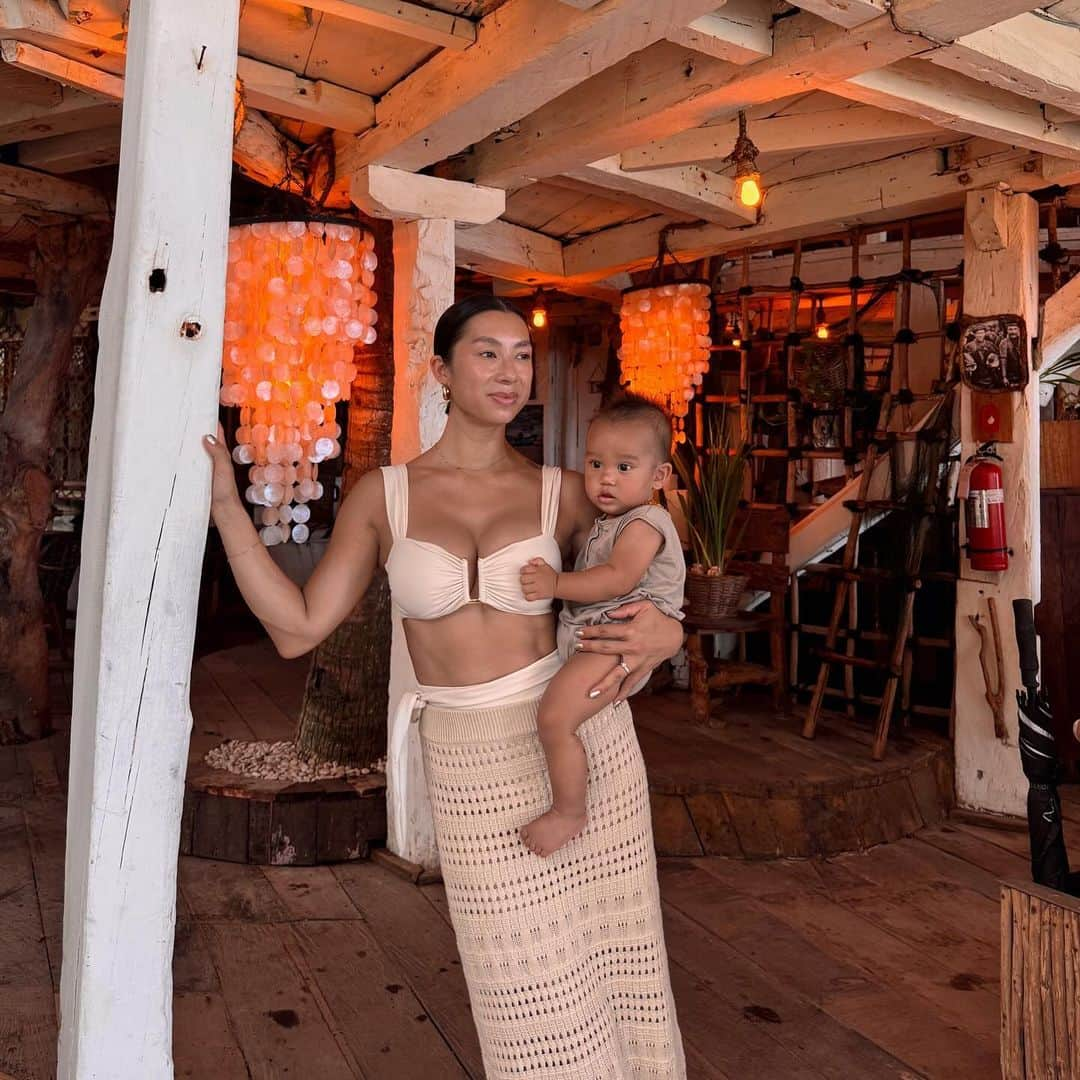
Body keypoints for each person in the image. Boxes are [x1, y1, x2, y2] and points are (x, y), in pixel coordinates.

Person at [203, 295, 688, 1078]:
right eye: (487, 353)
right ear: (442, 371)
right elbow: (297, 629)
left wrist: (670, 634)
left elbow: (653, 567)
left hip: (583, 741)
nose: (510, 371)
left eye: (522, 355)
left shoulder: (565, 490)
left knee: (623, 971)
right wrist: (227, 508)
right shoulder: (383, 496)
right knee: (524, 998)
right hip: (469, 757)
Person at [518, 397, 685, 858]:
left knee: (555, 719)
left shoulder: (646, 522)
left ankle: (569, 811)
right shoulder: (610, 522)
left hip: (613, 643)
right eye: (595, 463)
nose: (606, 477)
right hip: (597, 640)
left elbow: (618, 579)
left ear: (659, 477)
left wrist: (554, 583)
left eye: (624, 466)